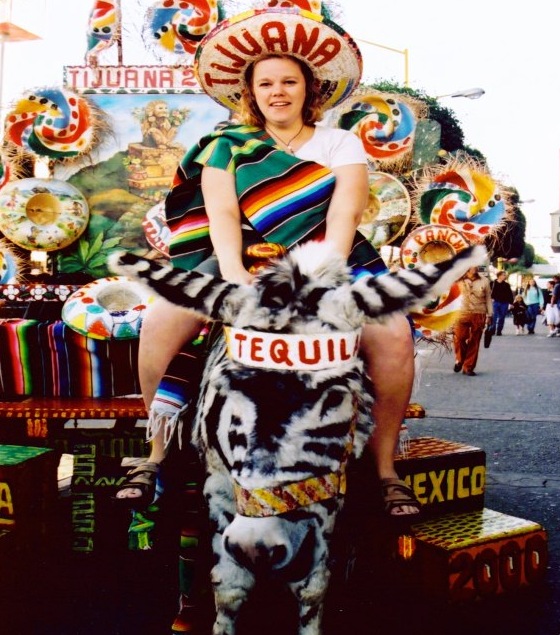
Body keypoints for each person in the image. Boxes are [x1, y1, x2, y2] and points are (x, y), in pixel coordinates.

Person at [116, 12, 420, 520]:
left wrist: (322, 277)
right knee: (162, 321)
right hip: (243, 255)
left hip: (329, 253)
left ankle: (385, 468)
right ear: (250, 93)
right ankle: (160, 453)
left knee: (393, 336)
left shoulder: (339, 143)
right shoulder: (226, 145)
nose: (277, 92)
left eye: (288, 81)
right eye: (266, 84)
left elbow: (344, 213)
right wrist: (234, 279)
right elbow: (223, 214)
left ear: (309, 89)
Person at [453, 266, 492, 376]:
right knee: (459, 338)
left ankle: (468, 367)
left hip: (479, 312)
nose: (476, 266)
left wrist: (490, 315)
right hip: (461, 312)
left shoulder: (484, 280)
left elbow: (488, 298)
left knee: (474, 340)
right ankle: (460, 359)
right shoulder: (458, 279)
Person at [490, 270, 513, 335]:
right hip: (495, 302)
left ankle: (499, 330)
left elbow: (510, 294)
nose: (505, 276)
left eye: (505, 275)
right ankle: (492, 329)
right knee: (494, 317)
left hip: (504, 303)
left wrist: (511, 303)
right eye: (504, 275)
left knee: (502, 317)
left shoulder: (506, 285)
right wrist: (490, 299)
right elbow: (488, 292)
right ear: (499, 276)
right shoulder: (492, 283)